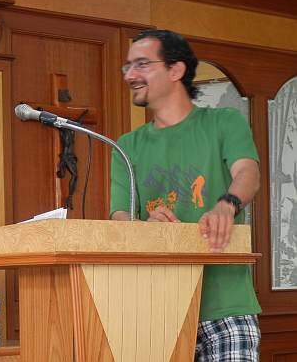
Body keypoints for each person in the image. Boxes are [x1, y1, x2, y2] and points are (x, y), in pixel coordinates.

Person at [110, 30, 261, 361]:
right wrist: (146, 227)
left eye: (142, 64)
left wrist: (226, 205)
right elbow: (119, 216)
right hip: (159, 312)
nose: (130, 75)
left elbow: (248, 173)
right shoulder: (125, 146)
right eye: (127, 67)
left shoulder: (223, 123)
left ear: (176, 70)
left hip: (225, 305)